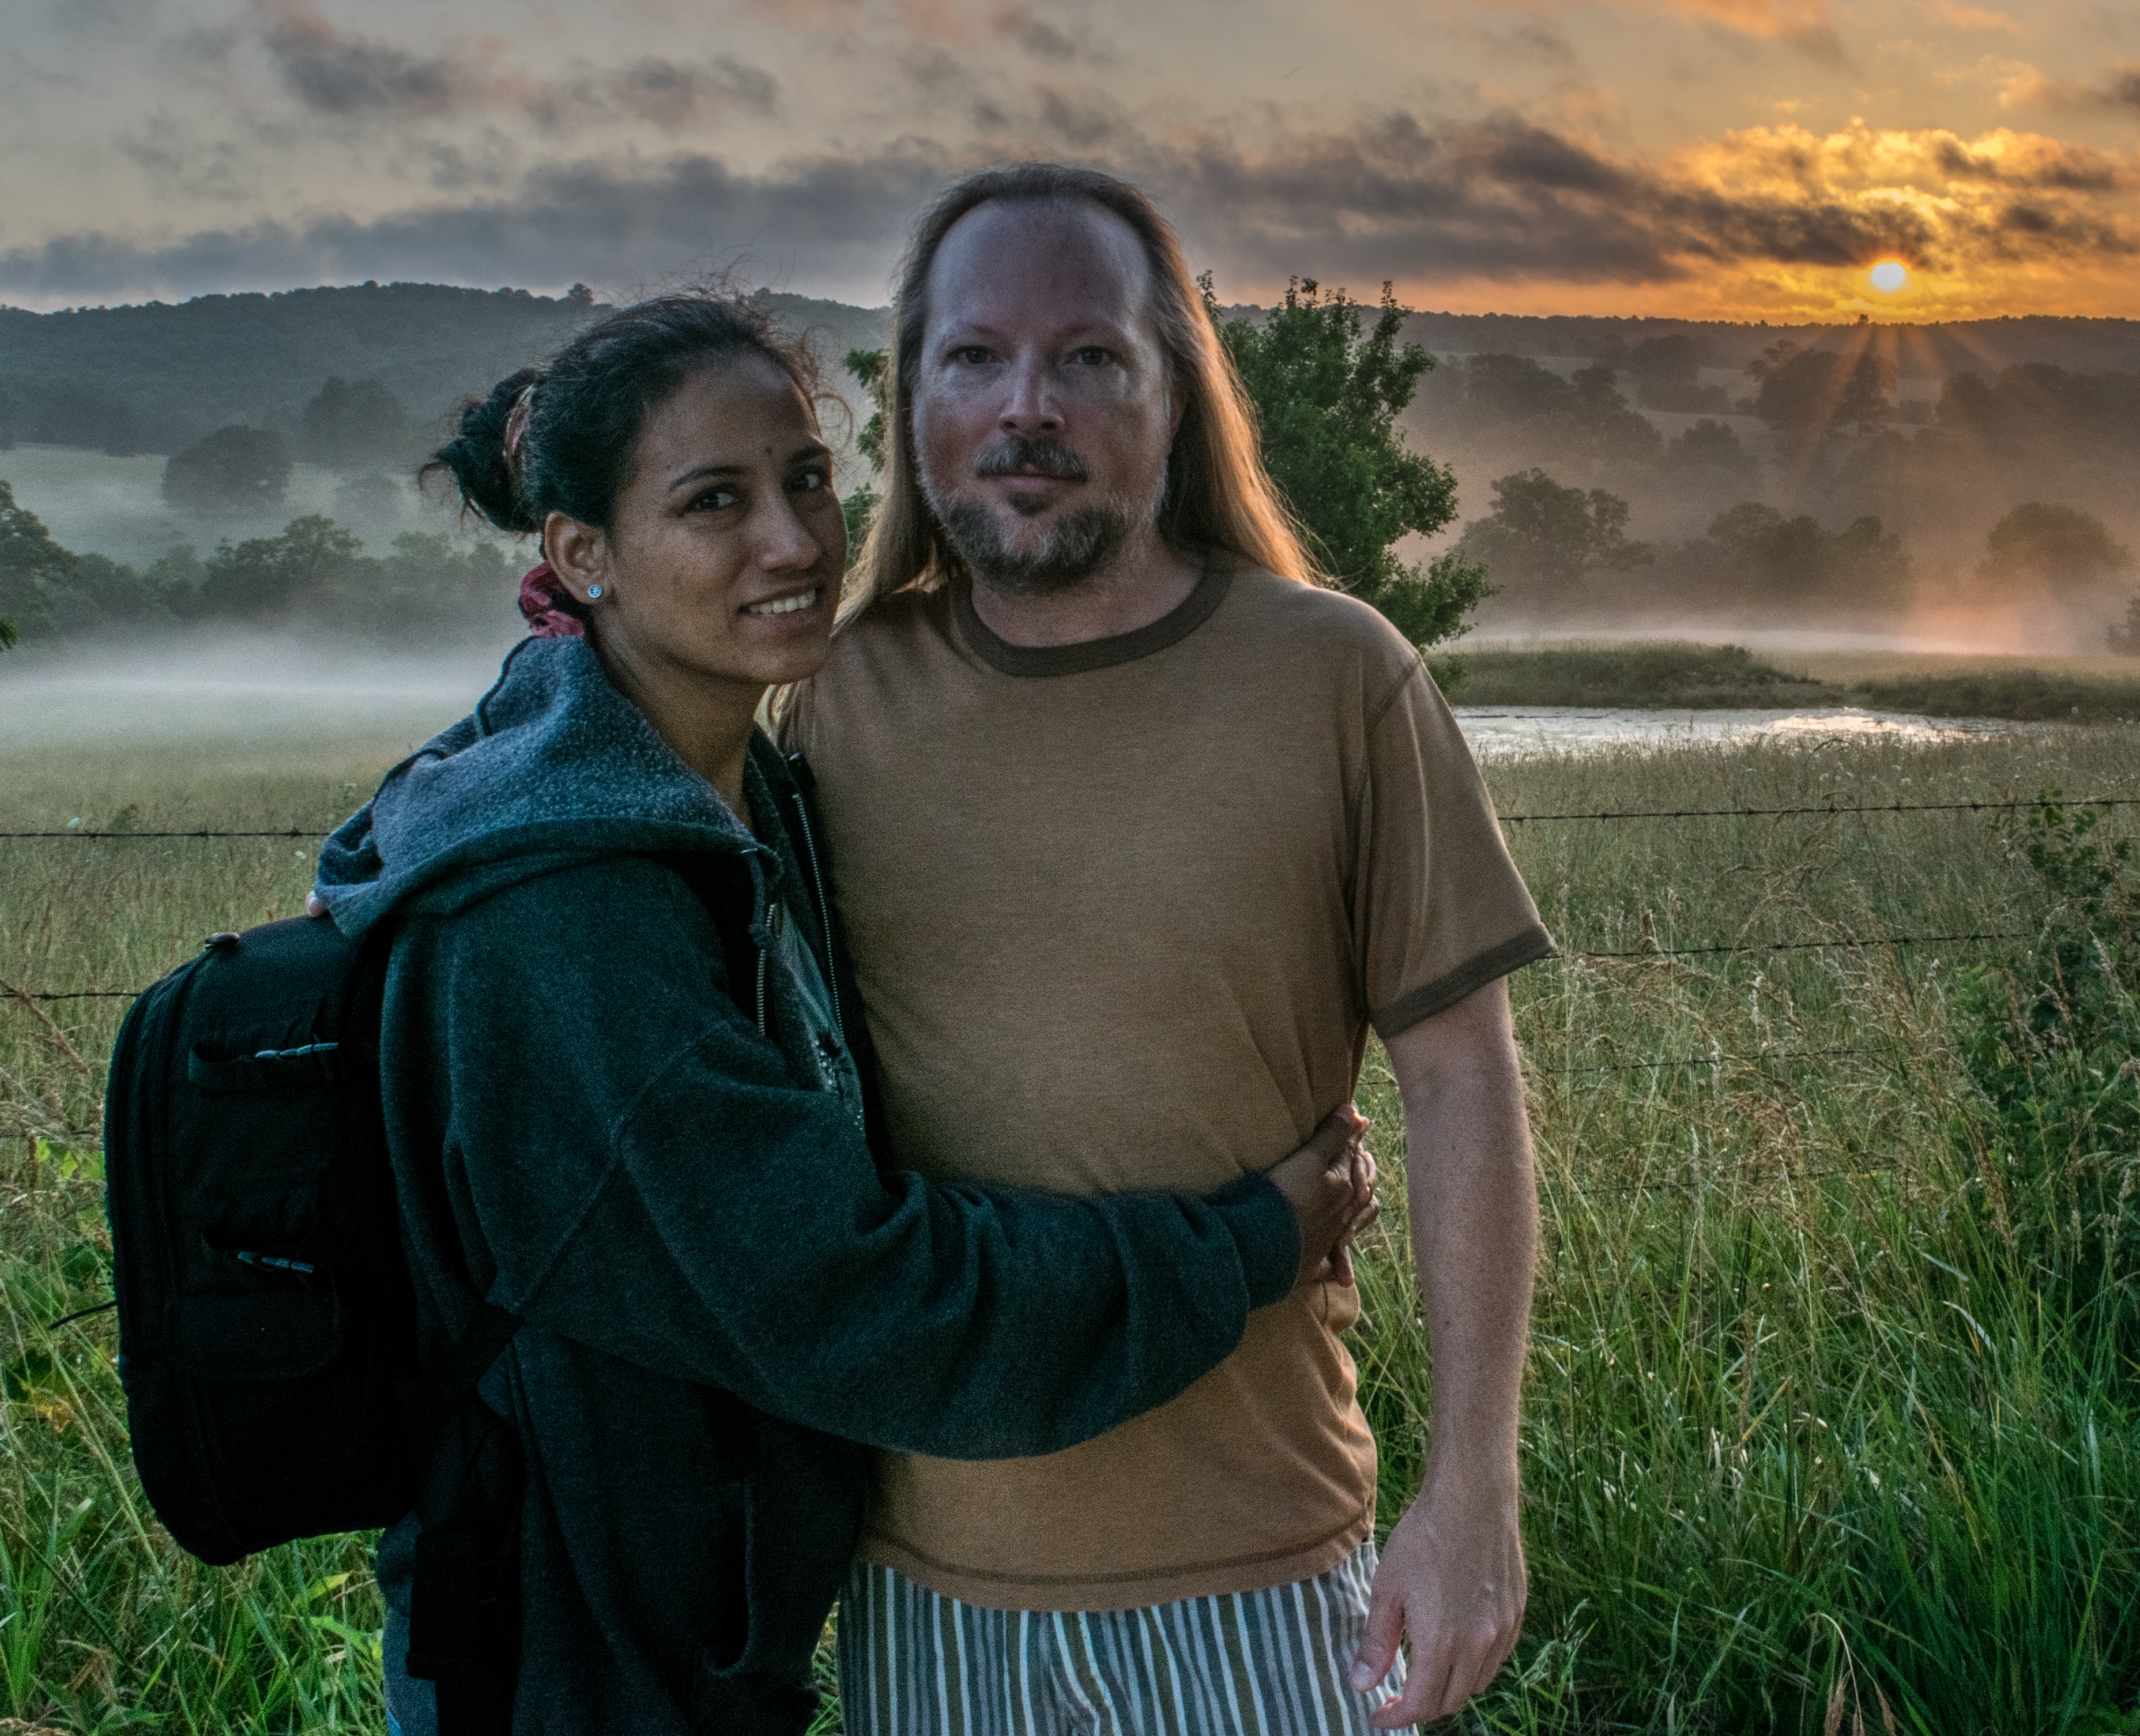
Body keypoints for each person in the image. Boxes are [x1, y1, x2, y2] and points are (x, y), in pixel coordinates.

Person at [310, 290, 1379, 1735]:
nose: (796, 541)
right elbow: (869, 1307)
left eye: (807, 477)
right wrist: (1251, 1239)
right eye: (713, 502)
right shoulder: (565, 914)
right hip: (572, 1663)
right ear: (581, 555)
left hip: (681, 1636)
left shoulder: (715, 791)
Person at [781, 167, 1549, 1734]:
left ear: (1177, 393)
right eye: (974, 358)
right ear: (912, 399)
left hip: (1267, 1573)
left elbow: (1462, 1079)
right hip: (918, 1581)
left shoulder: (1337, 679)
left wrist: (1473, 1492)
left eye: (1090, 357)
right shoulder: (831, 705)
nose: (1027, 406)